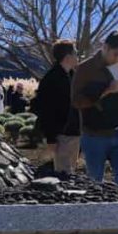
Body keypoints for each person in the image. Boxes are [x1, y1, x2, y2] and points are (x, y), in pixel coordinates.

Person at [70, 30, 118, 186]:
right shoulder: (85, 69)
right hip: (95, 135)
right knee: (95, 183)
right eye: (116, 54)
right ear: (105, 47)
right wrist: (106, 90)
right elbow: (76, 101)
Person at [34, 39, 80, 175]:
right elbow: (45, 110)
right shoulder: (51, 79)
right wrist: (51, 138)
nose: (78, 56)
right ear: (68, 57)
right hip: (61, 134)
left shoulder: (72, 75)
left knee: (71, 173)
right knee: (63, 173)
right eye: (76, 53)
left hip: (75, 132)